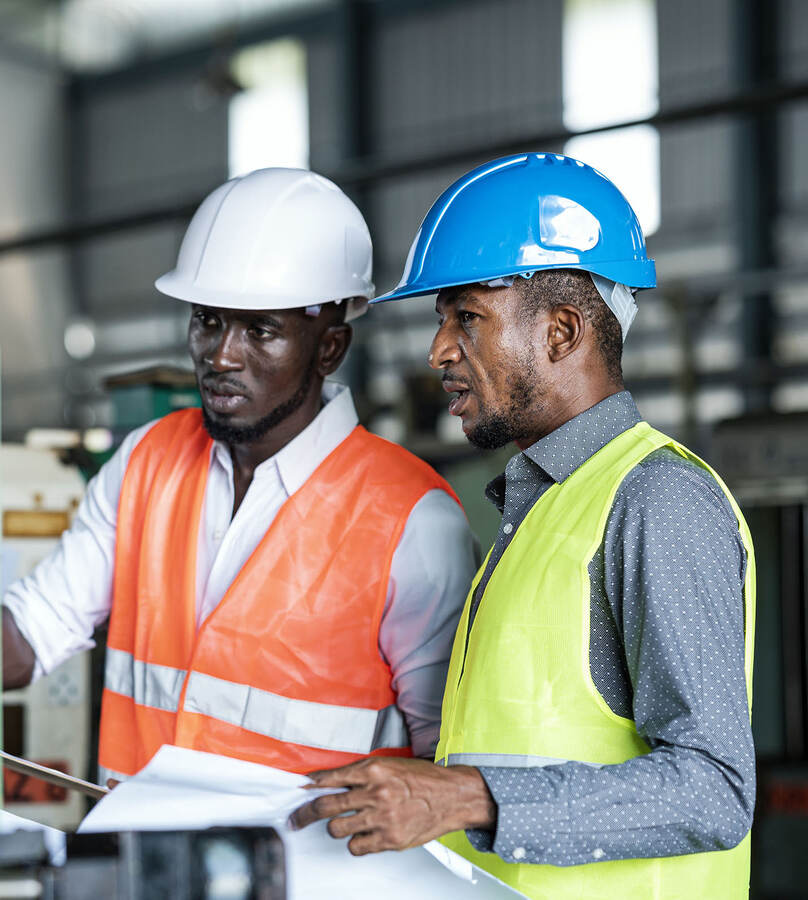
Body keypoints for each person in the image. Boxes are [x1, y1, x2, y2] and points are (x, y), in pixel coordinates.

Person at [291, 153, 756, 899]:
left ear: (562, 333)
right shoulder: (539, 510)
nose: (439, 349)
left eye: (466, 317)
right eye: (442, 321)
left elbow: (713, 789)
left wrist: (465, 796)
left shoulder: (655, 501)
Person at [2, 167, 478, 783]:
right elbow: (34, 629)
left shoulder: (412, 520)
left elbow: (444, 763)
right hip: (142, 871)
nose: (221, 355)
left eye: (260, 330)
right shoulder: (147, 461)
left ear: (329, 348)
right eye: (207, 320)